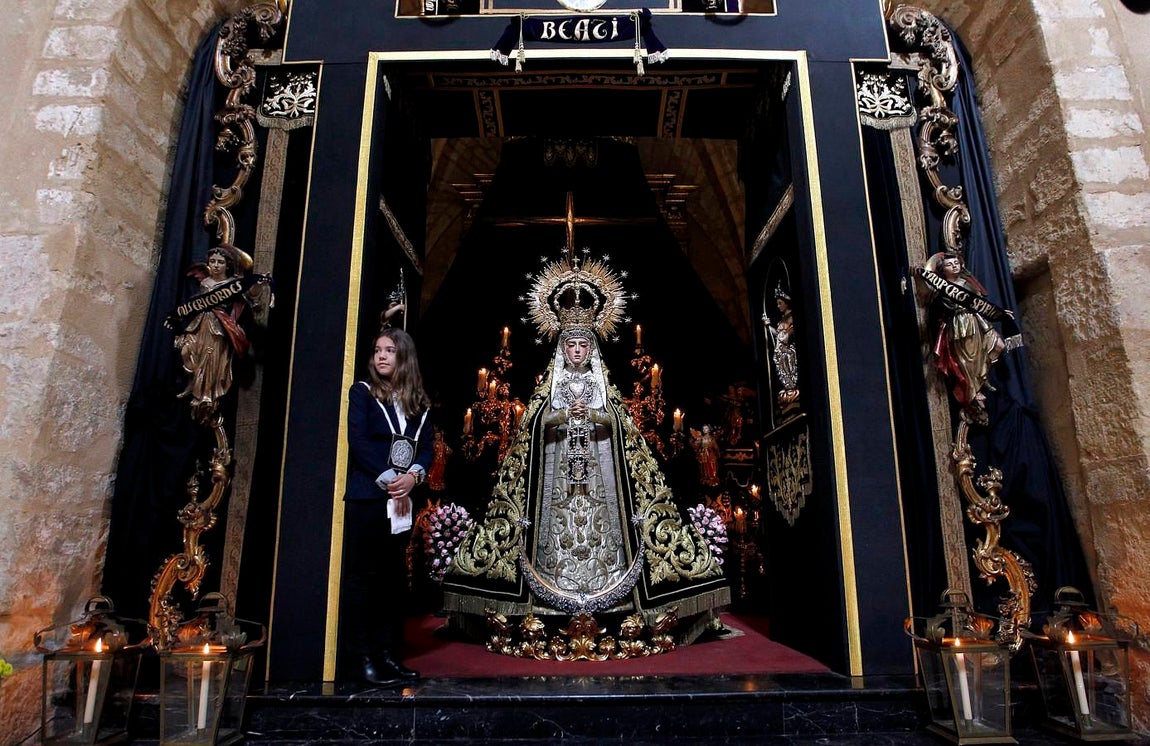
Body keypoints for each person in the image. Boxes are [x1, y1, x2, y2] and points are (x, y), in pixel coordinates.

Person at [442, 255, 728, 646]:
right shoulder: (551, 388)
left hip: (599, 473)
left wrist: (595, 414)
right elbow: (538, 425)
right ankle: (543, 597)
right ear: (562, 349)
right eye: (571, 345)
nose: (577, 350)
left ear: (591, 349)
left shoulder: (601, 387)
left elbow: (617, 425)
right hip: (557, 474)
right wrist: (560, 417)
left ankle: (616, 597)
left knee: (607, 528)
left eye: (582, 345)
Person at [341, 326, 433, 685]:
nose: (381, 356)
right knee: (362, 579)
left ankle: (385, 654)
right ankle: (360, 659)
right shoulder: (362, 393)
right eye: (377, 350)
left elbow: (425, 447)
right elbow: (358, 440)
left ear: (403, 357)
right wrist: (387, 477)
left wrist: (413, 476)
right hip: (369, 496)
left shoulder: (419, 404)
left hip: (402, 501)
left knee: (391, 581)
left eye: (389, 350)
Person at [172, 244, 269, 421]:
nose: (216, 265)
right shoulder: (205, 282)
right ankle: (194, 387)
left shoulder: (233, 285)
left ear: (227, 265)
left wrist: (258, 285)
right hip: (200, 324)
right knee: (188, 351)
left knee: (212, 360)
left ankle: (207, 394)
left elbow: (252, 299)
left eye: (220, 262)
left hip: (219, 327)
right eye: (212, 261)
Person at [921, 251, 1012, 413]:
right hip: (960, 325)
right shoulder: (942, 290)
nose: (954, 266)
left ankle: (982, 377)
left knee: (998, 345)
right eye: (950, 264)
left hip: (977, 321)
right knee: (967, 361)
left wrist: (1001, 313)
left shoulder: (968, 283)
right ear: (943, 269)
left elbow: (981, 304)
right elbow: (930, 301)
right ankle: (973, 391)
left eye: (956, 263)